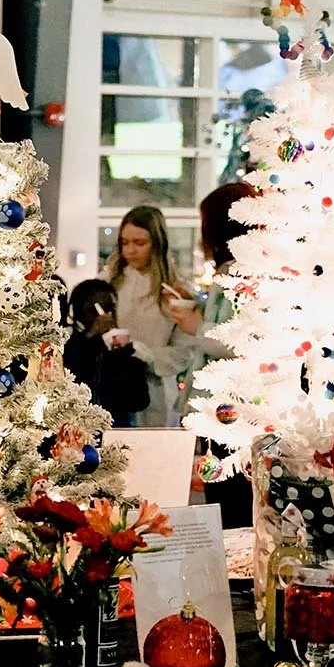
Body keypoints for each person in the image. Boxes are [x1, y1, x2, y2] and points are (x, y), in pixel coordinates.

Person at [183, 182, 258, 526]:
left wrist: (196, 326)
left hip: (231, 409)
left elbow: (239, 341)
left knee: (231, 504)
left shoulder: (242, 275)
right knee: (227, 501)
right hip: (224, 408)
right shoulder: (232, 272)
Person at [103, 206, 200, 427]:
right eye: (125, 242)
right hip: (112, 386)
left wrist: (146, 356)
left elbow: (184, 350)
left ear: (157, 244)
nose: (130, 250)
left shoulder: (175, 292)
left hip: (155, 390)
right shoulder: (108, 283)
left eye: (139, 243)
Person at [63, 278, 152, 426]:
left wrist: (122, 358)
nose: (106, 316)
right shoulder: (66, 344)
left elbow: (139, 401)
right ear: (78, 312)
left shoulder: (124, 350)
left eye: (110, 308)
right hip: (75, 429)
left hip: (115, 430)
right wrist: (90, 339)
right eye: (94, 310)